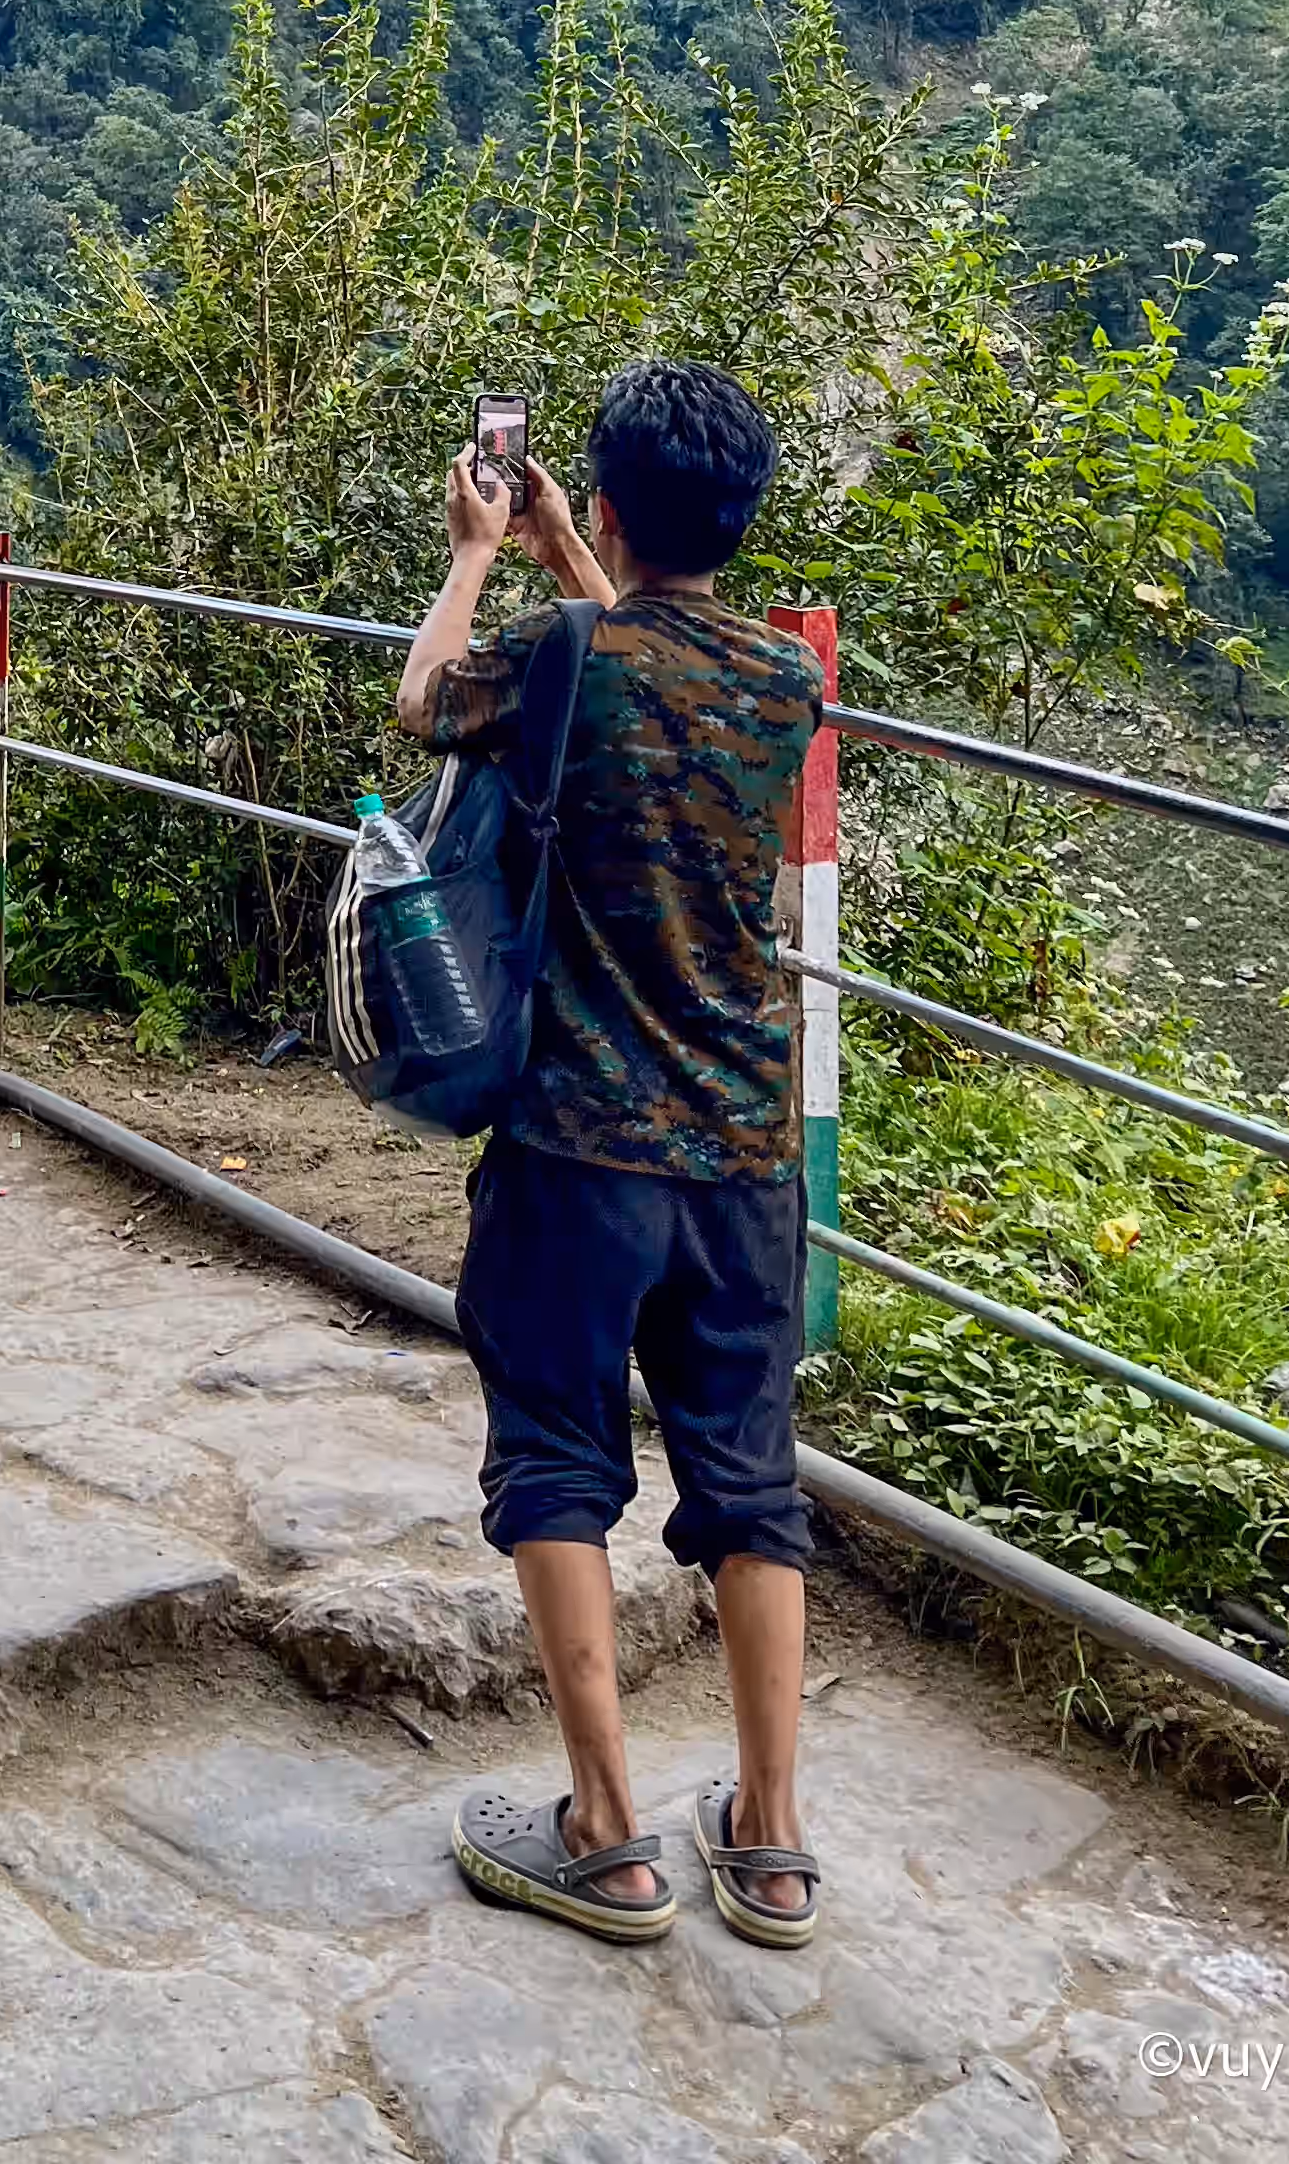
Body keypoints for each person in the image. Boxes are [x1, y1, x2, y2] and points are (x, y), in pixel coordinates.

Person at [396, 361, 827, 1952]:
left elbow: (430, 702)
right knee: (747, 1485)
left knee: (559, 1458)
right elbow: (660, 660)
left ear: (621, 502)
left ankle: (604, 1833)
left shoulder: (572, 649)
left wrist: (476, 552)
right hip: (744, 1156)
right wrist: (587, 545)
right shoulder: (786, 683)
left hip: (579, 1146)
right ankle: (771, 1846)